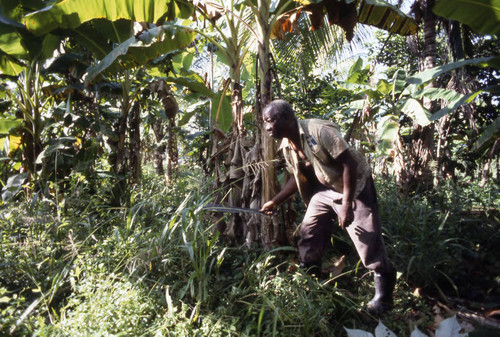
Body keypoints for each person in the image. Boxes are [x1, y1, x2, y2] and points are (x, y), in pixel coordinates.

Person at [259, 99, 396, 315]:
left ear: (286, 118)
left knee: (367, 241)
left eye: (270, 121)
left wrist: (347, 204)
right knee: (309, 232)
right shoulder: (286, 145)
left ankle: (384, 299)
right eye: (265, 122)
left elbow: (348, 164)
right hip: (325, 191)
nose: (267, 127)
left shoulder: (319, 131)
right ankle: (311, 284)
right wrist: (276, 201)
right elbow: (296, 177)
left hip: (355, 187)